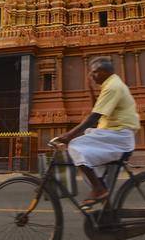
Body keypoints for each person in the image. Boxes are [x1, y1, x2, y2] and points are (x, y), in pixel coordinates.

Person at [54, 57, 140, 206]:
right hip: (115, 135)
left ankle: (99, 190)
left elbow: (94, 117)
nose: (92, 76)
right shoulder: (112, 84)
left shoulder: (112, 87)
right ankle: (104, 202)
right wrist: (91, 90)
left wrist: (68, 136)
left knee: (75, 146)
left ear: (105, 71)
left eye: (94, 72)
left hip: (118, 137)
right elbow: (98, 109)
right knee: (92, 165)